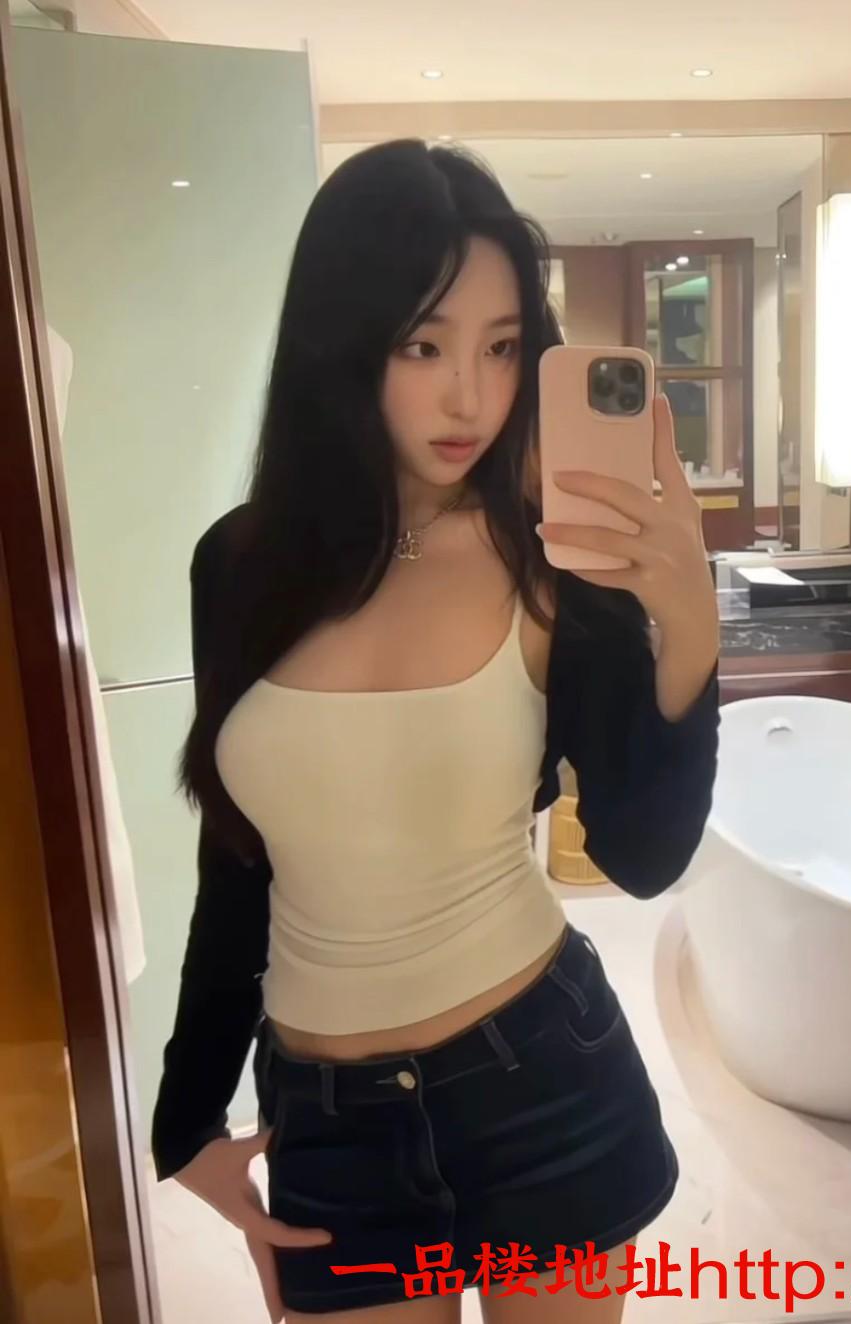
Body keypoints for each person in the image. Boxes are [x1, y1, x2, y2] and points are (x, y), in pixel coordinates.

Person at [150, 138, 720, 1323]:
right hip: (330, 1129)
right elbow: (239, 861)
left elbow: (643, 855)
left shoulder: (552, 562)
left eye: (503, 347)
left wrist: (690, 628)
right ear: (342, 341)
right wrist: (189, 1115)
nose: (471, 396)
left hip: (542, 1083)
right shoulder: (239, 566)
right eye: (423, 345)